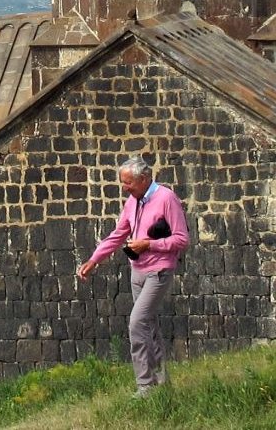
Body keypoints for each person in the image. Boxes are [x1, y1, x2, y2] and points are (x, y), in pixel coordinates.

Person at [76, 157, 191, 397]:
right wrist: (94, 259)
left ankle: (145, 386)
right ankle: (162, 381)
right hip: (137, 270)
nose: (124, 187)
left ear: (144, 179)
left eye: (128, 183)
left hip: (159, 270)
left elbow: (182, 239)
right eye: (123, 183)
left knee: (137, 323)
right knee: (149, 325)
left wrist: (148, 244)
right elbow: (119, 234)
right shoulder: (132, 201)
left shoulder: (166, 198)